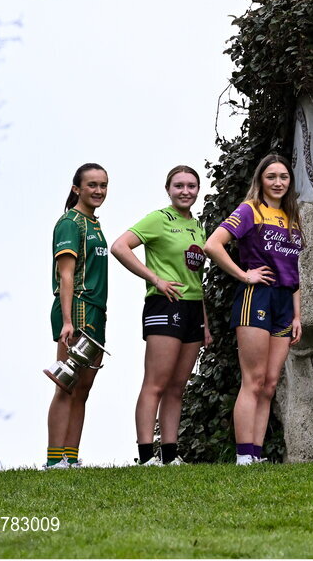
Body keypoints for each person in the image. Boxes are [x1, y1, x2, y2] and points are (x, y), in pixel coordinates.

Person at [204, 154, 304, 465]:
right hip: (256, 298)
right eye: (271, 176)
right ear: (260, 180)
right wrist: (245, 274)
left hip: (284, 303)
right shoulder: (250, 210)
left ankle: (255, 455)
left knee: (271, 382)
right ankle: (243, 455)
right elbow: (212, 245)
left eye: (283, 177)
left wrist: (298, 315)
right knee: (254, 379)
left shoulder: (292, 219)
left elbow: (294, 272)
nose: (278, 182)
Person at [111, 165, 211, 467]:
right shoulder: (158, 219)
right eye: (179, 186)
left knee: (177, 386)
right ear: (168, 189)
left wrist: (205, 322)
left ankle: (169, 455)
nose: (185, 191)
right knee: (155, 382)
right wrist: (156, 279)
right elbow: (119, 247)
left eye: (191, 186)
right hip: (165, 306)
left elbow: (197, 277)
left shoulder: (198, 226)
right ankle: (145, 457)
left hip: (193, 310)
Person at [45, 163, 109, 469]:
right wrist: (68, 321)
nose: (98, 191)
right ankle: (54, 460)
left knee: (83, 388)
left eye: (103, 185)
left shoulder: (95, 224)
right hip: (77, 308)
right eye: (92, 185)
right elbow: (66, 276)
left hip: (97, 310)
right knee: (65, 384)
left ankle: (71, 457)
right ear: (77, 189)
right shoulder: (70, 223)